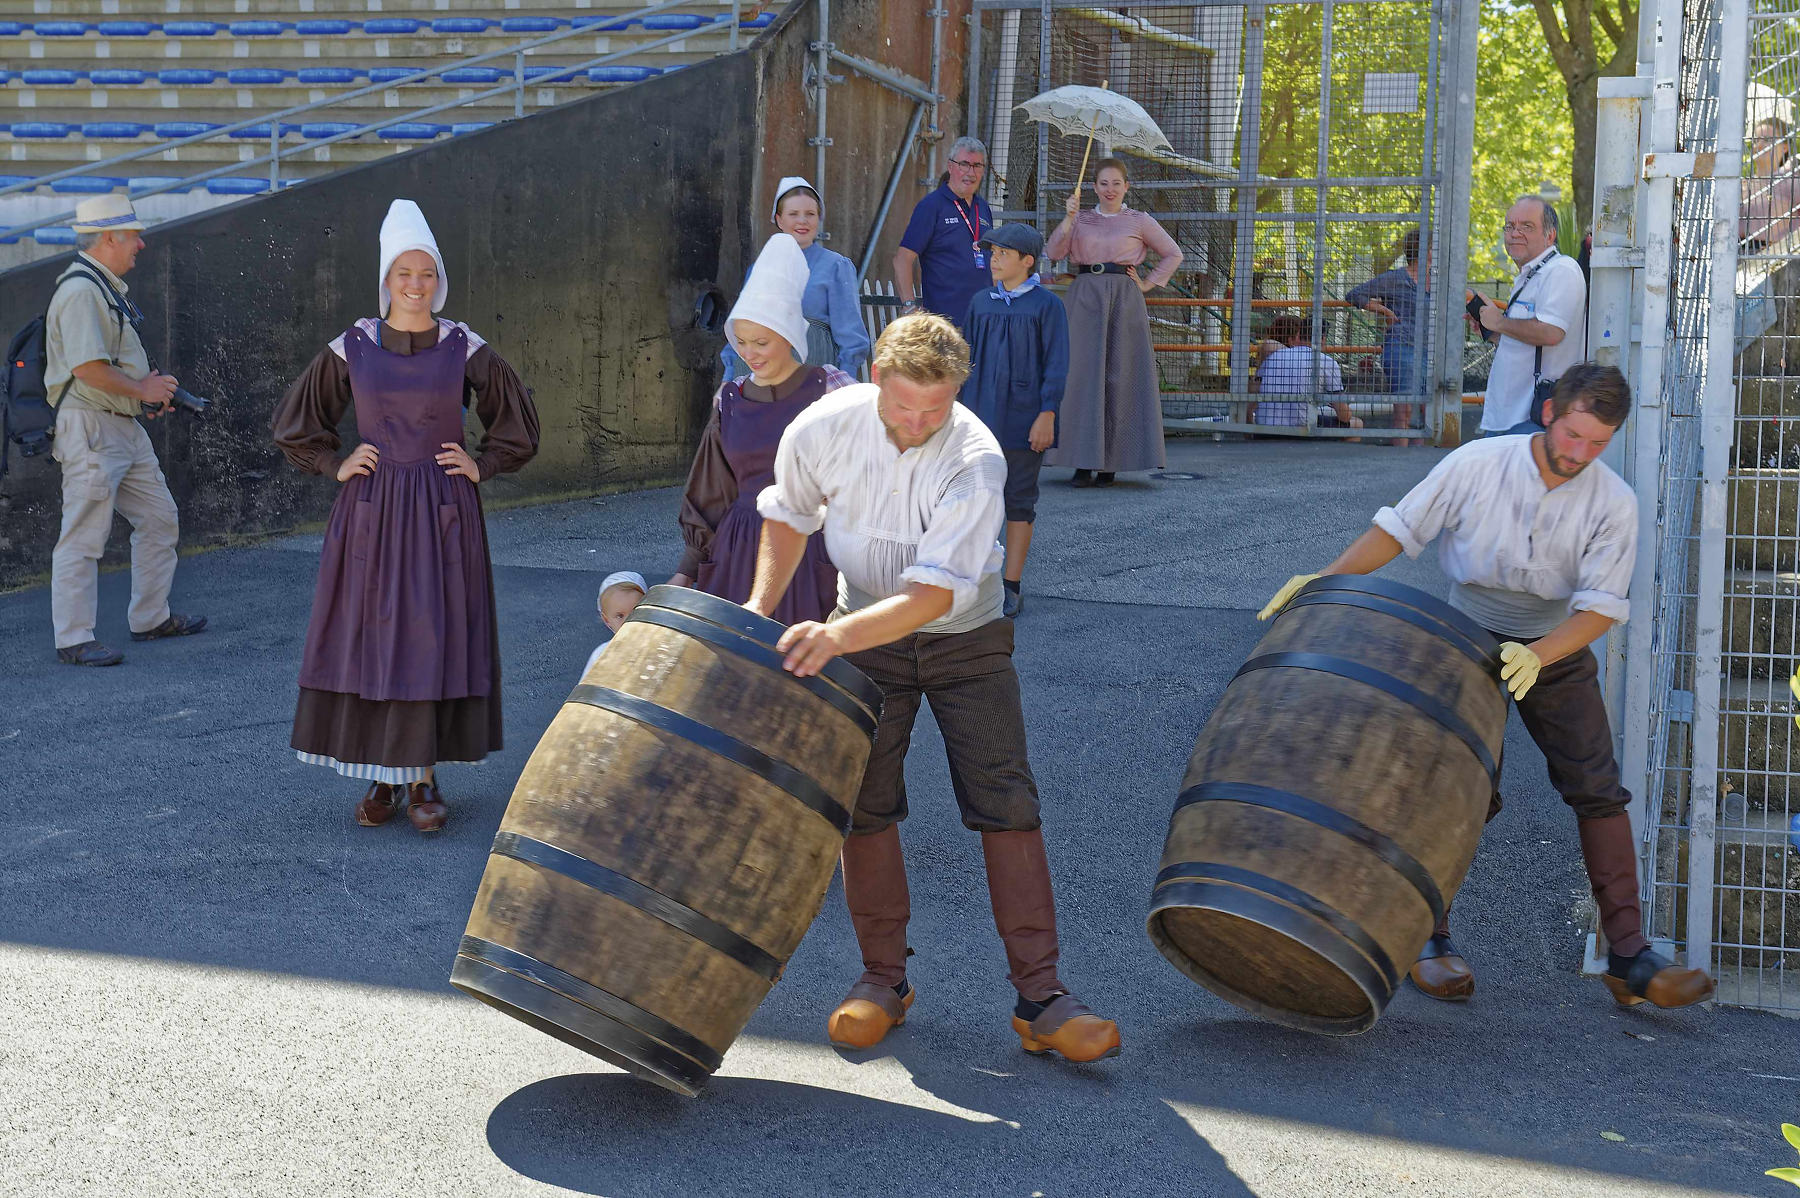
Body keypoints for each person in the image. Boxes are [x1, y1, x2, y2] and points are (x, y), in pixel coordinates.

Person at [1258, 363, 1714, 1012]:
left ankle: (1629, 957)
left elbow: (1602, 608)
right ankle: (1427, 939)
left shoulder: (1614, 501)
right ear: (1551, 411)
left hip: (1553, 643)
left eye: (1598, 444)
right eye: (1574, 434)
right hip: (1463, 635)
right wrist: (1323, 581)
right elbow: (1400, 530)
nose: (1580, 454)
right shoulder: (1478, 462)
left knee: (1599, 790)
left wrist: (1540, 654)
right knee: (1451, 788)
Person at [744, 312, 1121, 1064]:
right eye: (904, 403)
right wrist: (760, 607)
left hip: (965, 643)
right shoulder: (824, 426)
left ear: (957, 391)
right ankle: (883, 982)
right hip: (861, 633)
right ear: (878, 378)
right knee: (863, 801)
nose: (918, 422)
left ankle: (1041, 1000)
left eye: (936, 406)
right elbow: (789, 515)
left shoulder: (977, 459)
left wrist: (833, 638)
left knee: (1006, 800)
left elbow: (933, 597)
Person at [271, 199, 540, 833]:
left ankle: (420, 776)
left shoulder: (462, 346)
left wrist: (485, 465)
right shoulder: (354, 346)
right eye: (403, 274)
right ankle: (380, 774)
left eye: (425, 274)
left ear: (438, 278)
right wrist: (334, 462)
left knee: (428, 636)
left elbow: (516, 420)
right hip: (374, 508)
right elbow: (297, 424)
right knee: (372, 636)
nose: (416, 286)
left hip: (444, 507)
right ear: (386, 279)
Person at [46, 195, 207, 667]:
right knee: (83, 534)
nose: (141, 243)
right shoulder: (81, 291)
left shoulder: (99, 286)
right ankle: (73, 638)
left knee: (159, 518)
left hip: (119, 426)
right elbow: (89, 369)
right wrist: (143, 388)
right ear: (109, 238)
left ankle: (150, 618)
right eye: (132, 234)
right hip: (93, 428)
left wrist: (143, 397)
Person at [672, 233, 854, 621]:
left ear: (789, 336)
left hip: (811, 549)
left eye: (761, 342)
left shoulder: (832, 387)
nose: (748, 354)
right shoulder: (730, 398)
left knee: (803, 670)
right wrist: (686, 570)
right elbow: (712, 490)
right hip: (736, 555)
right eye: (740, 342)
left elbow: (869, 468)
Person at [1042, 157, 1182, 488]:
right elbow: (1054, 252)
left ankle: (1111, 463)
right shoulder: (1081, 218)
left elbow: (1173, 253)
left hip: (1124, 299)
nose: (1110, 190)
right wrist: (1068, 218)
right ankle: (1080, 460)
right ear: (1093, 187)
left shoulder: (1139, 220)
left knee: (1120, 376)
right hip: (1085, 297)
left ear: (1126, 187)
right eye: (1103, 184)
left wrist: (1147, 283)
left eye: (1116, 183)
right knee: (1080, 376)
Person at [958, 222, 1069, 619]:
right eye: (992, 252)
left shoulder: (1047, 306)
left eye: (1003, 253)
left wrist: (1047, 414)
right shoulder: (980, 303)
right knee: (973, 499)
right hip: (978, 417)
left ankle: (1011, 584)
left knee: (1019, 500)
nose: (994, 259)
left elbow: (1056, 365)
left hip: (1024, 420)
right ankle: (975, 579)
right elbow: (963, 361)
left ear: (1027, 260)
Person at [720, 177, 871, 379]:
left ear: (819, 219)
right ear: (779, 219)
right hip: (755, 377)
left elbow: (850, 335)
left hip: (810, 374)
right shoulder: (759, 268)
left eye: (810, 214)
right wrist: (727, 379)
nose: (802, 221)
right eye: (793, 214)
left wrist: (845, 382)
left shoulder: (835, 266)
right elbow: (740, 328)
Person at [1473, 196, 1585, 437]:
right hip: (1507, 417)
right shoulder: (1531, 274)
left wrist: (1500, 322)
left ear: (1550, 235)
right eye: (1510, 226)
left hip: (1532, 421)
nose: (1515, 233)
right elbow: (1528, 342)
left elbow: (1551, 332)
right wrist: (1493, 333)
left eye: (1527, 226)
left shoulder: (1561, 270)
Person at [893, 136, 996, 334]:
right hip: (945, 326)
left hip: (984, 321)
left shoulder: (983, 208)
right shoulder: (931, 206)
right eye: (964, 164)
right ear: (950, 166)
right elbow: (902, 259)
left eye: (977, 166)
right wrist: (909, 307)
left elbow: (990, 260)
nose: (970, 172)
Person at [1346, 227, 1430, 447]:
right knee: (1404, 412)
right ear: (1425, 251)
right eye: (1434, 245)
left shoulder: (1440, 281)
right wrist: (1385, 311)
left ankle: (1422, 467)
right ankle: (1397, 465)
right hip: (1403, 347)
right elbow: (1354, 295)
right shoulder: (1396, 278)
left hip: (1432, 353)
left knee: (1430, 413)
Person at [1248, 314, 1362, 439]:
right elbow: (1343, 416)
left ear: (1298, 335)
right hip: (1302, 431)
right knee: (1356, 424)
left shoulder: (1273, 357)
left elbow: (1254, 391)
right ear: (1323, 338)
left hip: (1265, 430)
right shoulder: (1327, 362)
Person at [1742, 118, 1800, 253]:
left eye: (1767, 140)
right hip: (1739, 256)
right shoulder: (1742, 185)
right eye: (1756, 140)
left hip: (1780, 256)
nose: (1759, 145)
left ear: (1785, 147)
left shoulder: (1792, 180)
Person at [582, 570, 646, 677]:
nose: (629, 621)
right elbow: (585, 691)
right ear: (607, 620)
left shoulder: (660, 648)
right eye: (620, 616)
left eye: (636, 611)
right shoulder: (602, 655)